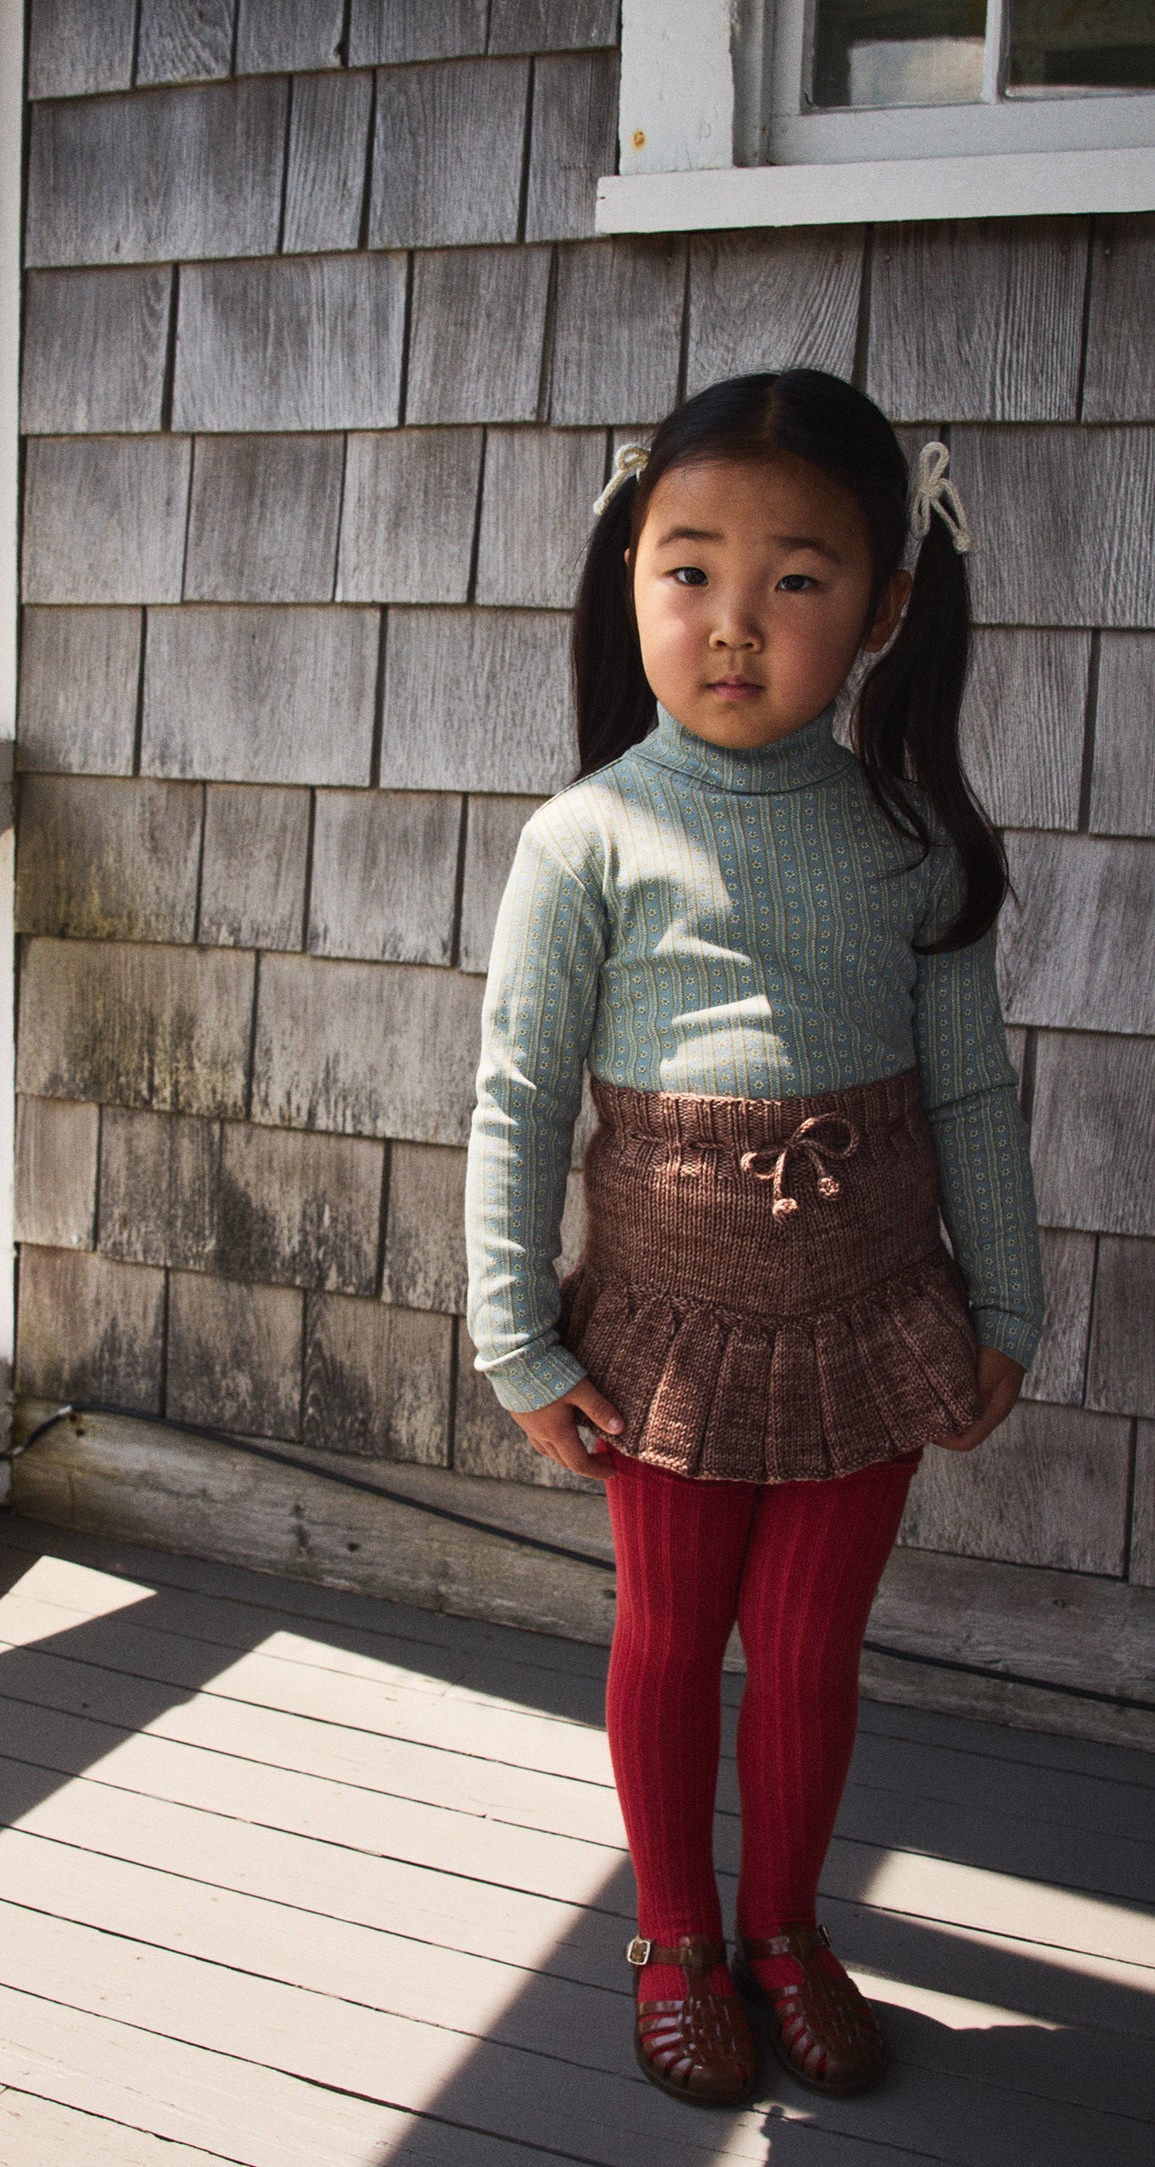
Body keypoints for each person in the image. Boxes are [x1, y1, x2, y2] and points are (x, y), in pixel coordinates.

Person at [465, 371, 1043, 2112]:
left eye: (794, 579)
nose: (732, 623)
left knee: (805, 1653)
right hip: (661, 1335)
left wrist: (1003, 1299)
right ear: (626, 579)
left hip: (873, 1321)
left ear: (881, 606)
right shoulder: (587, 840)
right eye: (686, 570)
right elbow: (517, 1096)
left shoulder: (907, 846)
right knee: (665, 1640)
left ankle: (785, 1929)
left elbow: (971, 1099)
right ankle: (671, 1933)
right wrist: (515, 1335)